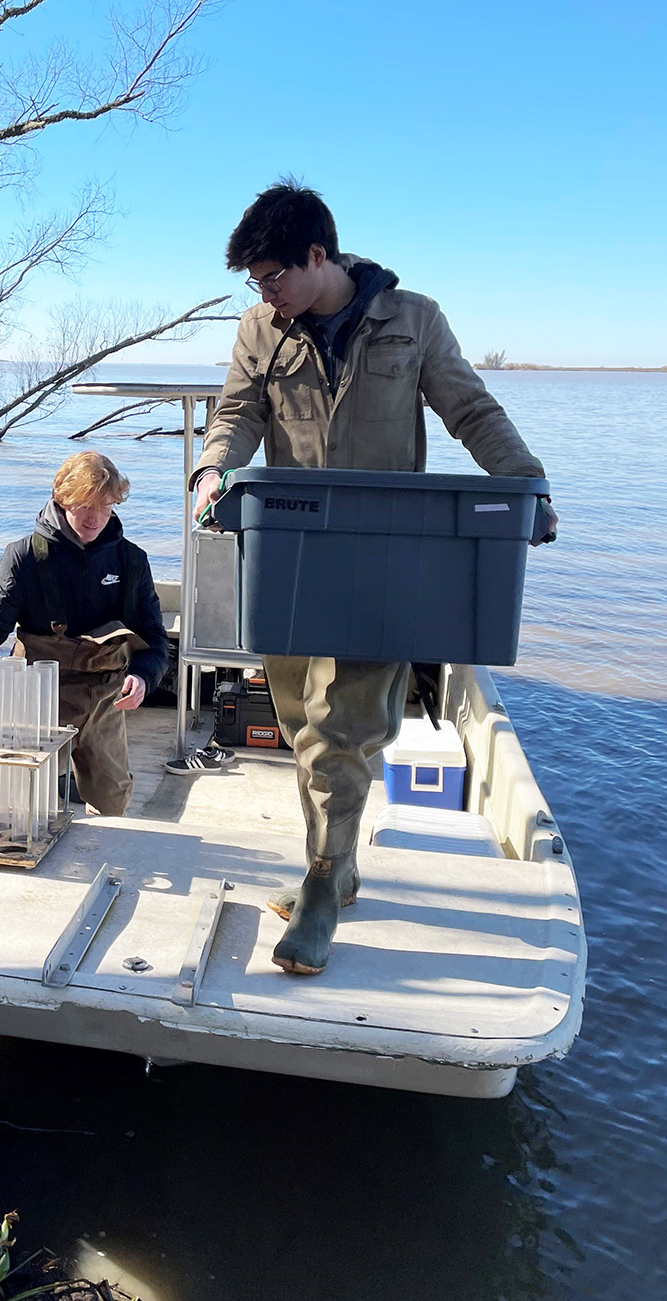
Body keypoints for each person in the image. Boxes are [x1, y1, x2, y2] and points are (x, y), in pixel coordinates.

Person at [192, 180, 557, 977]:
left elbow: (472, 411)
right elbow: (236, 413)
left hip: (389, 551)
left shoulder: (413, 319)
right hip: (293, 553)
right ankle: (342, 862)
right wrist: (213, 469)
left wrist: (529, 485)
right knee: (297, 722)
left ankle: (323, 887)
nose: (266, 295)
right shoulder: (261, 329)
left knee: (341, 731)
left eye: (272, 277)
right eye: (257, 283)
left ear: (316, 256)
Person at [0, 452, 170, 816]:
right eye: (84, 505)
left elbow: (155, 639)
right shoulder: (24, 557)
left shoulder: (131, 561)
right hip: (37, 697)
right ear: (62, 499)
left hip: (105, 698)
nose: (95, 517)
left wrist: (144, 677)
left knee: (114, 799)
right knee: (20, 799)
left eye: (105, 506)